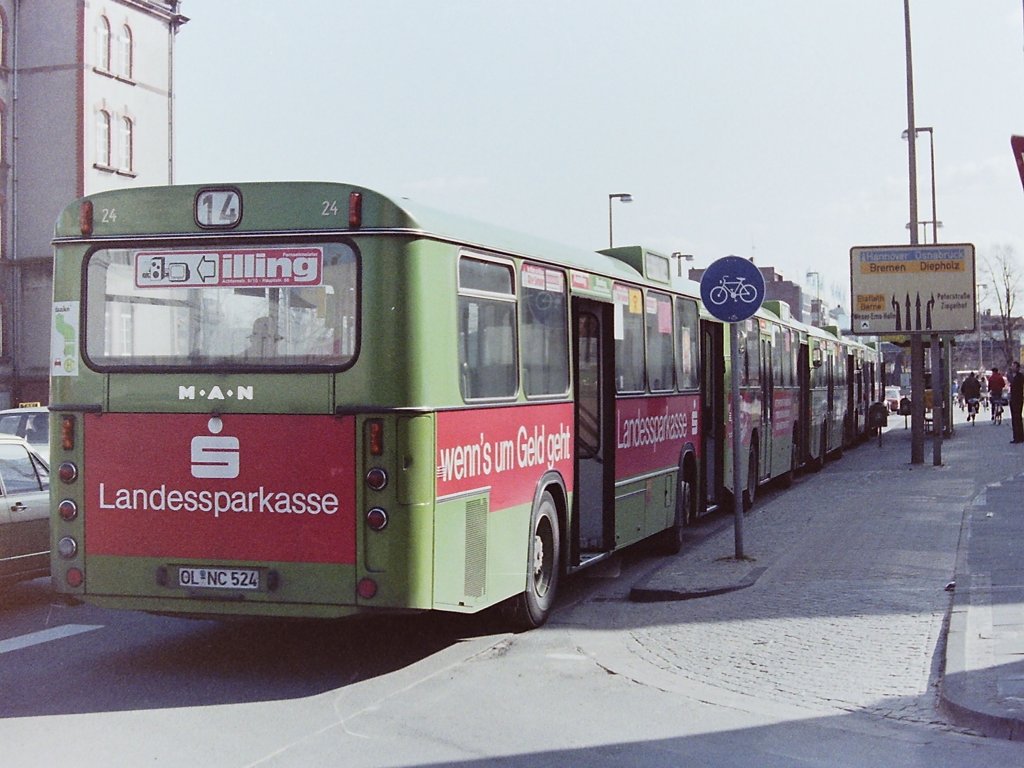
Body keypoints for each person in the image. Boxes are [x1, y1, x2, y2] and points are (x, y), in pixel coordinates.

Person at [1009, 361, 1024, 443]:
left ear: (1017, 368)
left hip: (1018, 399)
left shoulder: (1020, 376)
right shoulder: (1013, 376)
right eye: (1012, 366)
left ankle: (1019, 437)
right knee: (1015, 418)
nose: (1012, 368)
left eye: (1014, 366)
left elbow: (1016, 386)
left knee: (1017, 418)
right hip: (1013, 399)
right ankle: (1017, 436)